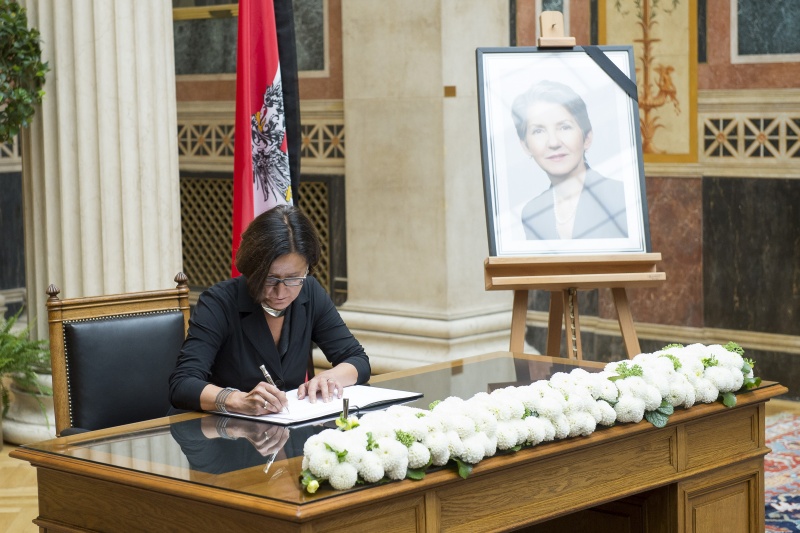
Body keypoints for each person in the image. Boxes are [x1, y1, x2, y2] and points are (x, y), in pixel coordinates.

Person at [169, 205, 370, 416]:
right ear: (253, 269)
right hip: (224, 434)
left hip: (285, 429)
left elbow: (356, 358)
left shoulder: (309, 292)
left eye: (293, 278)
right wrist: (237, 399)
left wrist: (330, 377)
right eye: (270, 278)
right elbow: (182, 384)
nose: (281, 291)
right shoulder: (219, 302)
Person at [510, 80, 628, 240]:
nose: (553, 142)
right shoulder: (532, 213)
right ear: (526, 147)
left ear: (587, 137)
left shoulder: (621, 198)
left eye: (564, 127)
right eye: (538, 130)